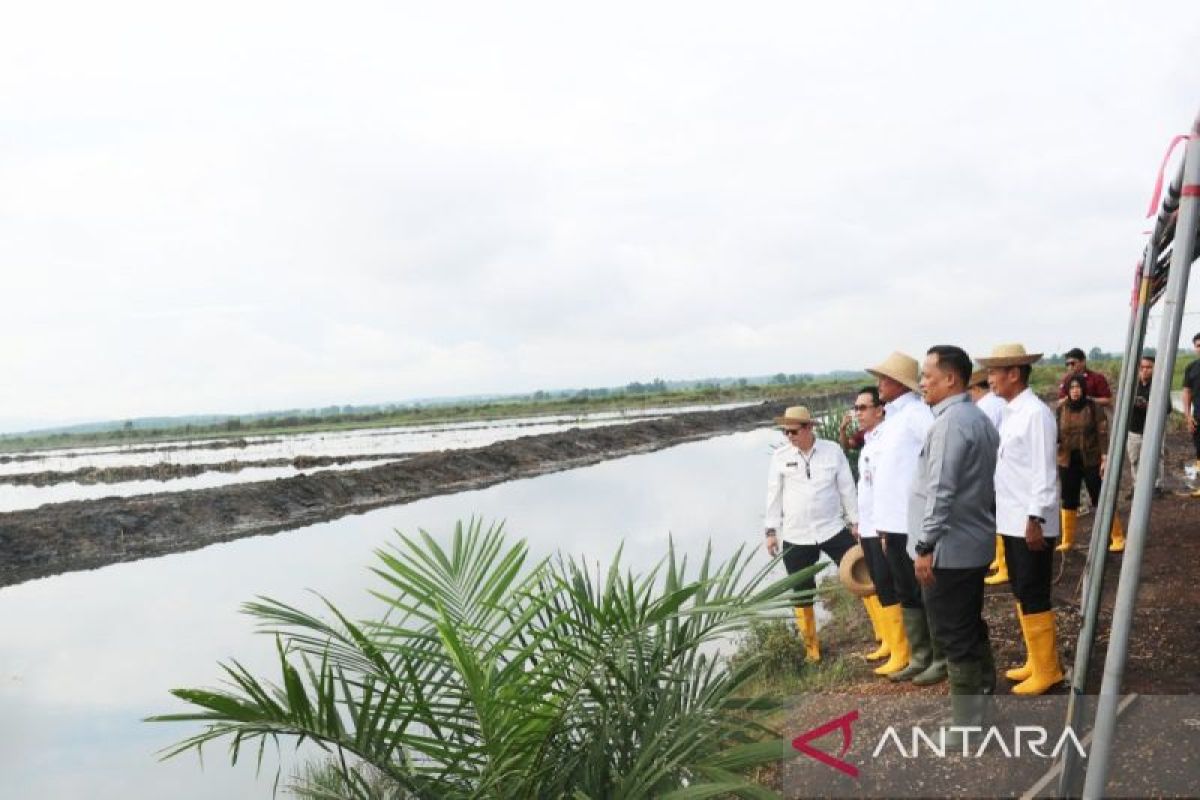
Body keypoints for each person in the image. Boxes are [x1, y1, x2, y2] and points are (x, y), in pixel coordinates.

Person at [910, 345, 999, 743]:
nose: (922, 382)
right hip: (973, 541)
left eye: (928, 375)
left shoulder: (949, 424)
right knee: (969, 625)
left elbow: (941, 491)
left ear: (951, 379)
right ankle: (984, 703)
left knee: (954, 634)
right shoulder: (978, 417)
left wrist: (925, 545)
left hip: (950, 548)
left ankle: (967, 727)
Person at [980, 343, 1064, 696]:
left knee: (1034, 591)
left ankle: (1049, 669)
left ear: (1014, 373)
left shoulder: (1035, 414)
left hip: (1030, 521)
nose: (990, 379)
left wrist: (1036, 518)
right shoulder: (1012, 412)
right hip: (1011, 519)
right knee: (1021, 590)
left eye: (995, 372)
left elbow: (1044, 472)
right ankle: (1036, 659)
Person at [865, 351, 941, 684]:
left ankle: (939, 657)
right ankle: (919, 655)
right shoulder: (893, 419)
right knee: (906, 591)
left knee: (925, 590)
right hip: (892, 523)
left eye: (883, 378)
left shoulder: (915, 415)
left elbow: (937, 455)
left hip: (911, 521)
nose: (878, 384)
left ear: (898, 382)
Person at [764, 405, 859, 662]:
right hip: (796, 534)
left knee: (863, 574)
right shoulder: (781, 456)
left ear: (808, 428)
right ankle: (812, 650)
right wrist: (771, 530)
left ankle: (888, 637)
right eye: (785, 432)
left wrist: (856, 521)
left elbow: (847, 488)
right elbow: (774, 493)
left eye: (794, 431)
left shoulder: (832, 450)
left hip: (832, 528)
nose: (789, 436)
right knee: (801, 591)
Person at [851, 386, 909, 670]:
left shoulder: (886, 439)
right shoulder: (869, 441)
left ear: (879, 409)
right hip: (869, 525)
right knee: (880, 584)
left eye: (863, 407)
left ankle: (902, 651)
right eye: (856, 408)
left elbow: (890, 486)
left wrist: (885, 527)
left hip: (883, 525)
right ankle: (891, 643)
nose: (858, 413)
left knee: (889, 585)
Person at [1055, 375, 1126, 553]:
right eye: (1071, 388)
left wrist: (1105, 456)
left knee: (1099, 496)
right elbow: (1056, 432)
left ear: (1084, 389)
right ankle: (1067, 540)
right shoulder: (1061, 409)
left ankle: (1116, 536)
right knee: (1069, 498)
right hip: (1067, 459)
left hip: (1091, 459)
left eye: (1078, 387)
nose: (1075, 391)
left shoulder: (1093, 407)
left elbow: (1102, 433)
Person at [969, 367, 1008, 586]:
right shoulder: (999, 402)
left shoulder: (985, 407)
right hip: (1000, 467)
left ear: (975, 388)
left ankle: (1003, 564)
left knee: (997, 516)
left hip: (992, 468)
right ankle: (999, 560)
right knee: (998, 515)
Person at [1127, 355, 1167, 495]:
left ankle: (1157, 486)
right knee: (1135, 459)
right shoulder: (1131, 386)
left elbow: (1167, 408)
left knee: (1156, 458)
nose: (1145, 370)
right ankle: (1137, 486)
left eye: (1149, 367)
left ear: (1154, 368)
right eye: (1142, 367)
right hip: (1134, 429)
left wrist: (1147, 405)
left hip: (1154, 429)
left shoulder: (1160, 385)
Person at [1182, 332, 1200, 480]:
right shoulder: (1191, 368)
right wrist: (1188, 417)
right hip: (1197, 416)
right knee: (1199, 450)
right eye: (1198, 345)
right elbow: (1186, 392)